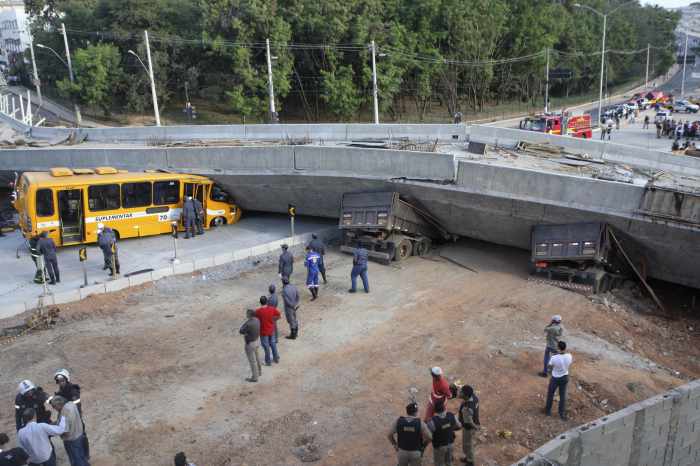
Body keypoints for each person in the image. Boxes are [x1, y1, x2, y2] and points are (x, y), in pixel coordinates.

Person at [53, 369, 89, 460]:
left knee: (82, 435)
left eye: (62, 381)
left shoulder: (73, 390)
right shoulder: (61, 391)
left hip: (76, 417)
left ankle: (86, 454)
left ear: (67, 379)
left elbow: (77, 407)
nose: (60, 383)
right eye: (59, 381)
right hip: (67, 417)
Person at [48, 396, 89, 466]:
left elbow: (65, 431)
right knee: (81, 456)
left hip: (71, 440)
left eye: (54, 407)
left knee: (76, 460)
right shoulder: (71, 404)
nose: (54, 409)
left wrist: (56, 432)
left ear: (59, 404)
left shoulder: (64, 414)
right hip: (79, 435)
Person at [427, 400, 461, 466]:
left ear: (435, 410)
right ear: (444, 408)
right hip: (450, 443)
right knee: (449, 462)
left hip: (439, 446)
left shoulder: (432, 421)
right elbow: (459, 425)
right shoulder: (451, 416)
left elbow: (429, 435)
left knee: (439, 463)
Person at [545, 340, 573, 420]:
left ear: (558, 348)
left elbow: (549, 368)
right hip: (565, 377)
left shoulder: (554, 358)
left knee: (550, 394)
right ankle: (561, 414)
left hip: (555, 378)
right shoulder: (569, 356)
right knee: (562, 396)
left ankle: (548, 411)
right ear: (565, 348)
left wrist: (551, 371)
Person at [255, 296, 281, 366]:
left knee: (266, 346)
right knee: (273, 344)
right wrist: (273, 320)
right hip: (271, 330)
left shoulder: (258, 311)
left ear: (260, 303)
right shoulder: (272, 309)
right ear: (267, 302)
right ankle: (276, 358)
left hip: (263, 331)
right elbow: (279, 315)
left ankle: (268, 361)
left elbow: (255, 319)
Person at [458, 386, 480, 466]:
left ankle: (470, 461)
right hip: (475, 421)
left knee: (467, 445)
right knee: (467, 444)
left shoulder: (466, 408)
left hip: (469, 428)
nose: (459, 393)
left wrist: (476, 428)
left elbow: (469, 422)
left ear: (466, 396)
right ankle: (468, 458)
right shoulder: (474, 397)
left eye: (461, 392)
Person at [239, 309, 261, 383]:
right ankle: (259, 372)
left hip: (250, 343)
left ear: (249, 315)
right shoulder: (257, 320)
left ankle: (255, 377)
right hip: (257, 341)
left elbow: (241, 330)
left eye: (247, 314)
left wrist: (246, 322)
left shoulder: (248, 323)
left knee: (252, 361)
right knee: (257, 358)